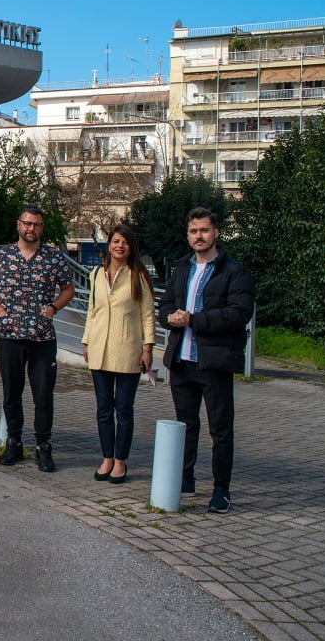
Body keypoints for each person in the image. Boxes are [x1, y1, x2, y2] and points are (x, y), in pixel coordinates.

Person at [158, 207, 254, 515]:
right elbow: (165, 305)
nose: (199, 236)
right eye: (193, 231)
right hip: (182, 360)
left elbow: (239, 313)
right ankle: (184, 479)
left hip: (214, 362)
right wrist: (170, 317)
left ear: (216, 233)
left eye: (204, 230)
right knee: (185, 425)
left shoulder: (233, 271)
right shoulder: (181, 268)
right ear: (187, 235)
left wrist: (194, 320)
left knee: (220, 430)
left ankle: (221, 490)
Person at [0, 205, 74, 470]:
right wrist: (0, 311)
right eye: (27, 223)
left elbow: (68, 289)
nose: (31, 228)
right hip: (10, 336)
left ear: (41, 228)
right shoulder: (2, 256)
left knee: (43, 395)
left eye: (36, 224)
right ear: (18, 225)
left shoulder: (54, 257)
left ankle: (43, 445)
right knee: (12, 392)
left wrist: (53, 307)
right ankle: (14, 442)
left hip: (42, 338)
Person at [82, 225, 156, 485]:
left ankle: (121, 460)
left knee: (123, 409)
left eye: (125, 242)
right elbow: (92, 311)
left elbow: (148, 314)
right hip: (99, 348)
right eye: (115, 241)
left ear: (131, 247)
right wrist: (86, 341)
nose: (119, 246)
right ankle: (107, 458)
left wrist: (148, 348)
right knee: (104, 409)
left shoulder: (139, 276)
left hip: (127, 350)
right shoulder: (96, 274)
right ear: (109, 245)